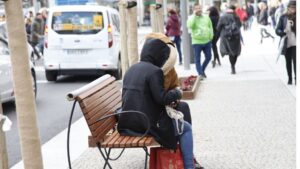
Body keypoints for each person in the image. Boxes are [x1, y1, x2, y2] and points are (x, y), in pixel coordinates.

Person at [117, 34, 203, 169]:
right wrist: (177, 93)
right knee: (185, 128)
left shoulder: (131, 69)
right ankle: (189, 165)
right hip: (145, 125)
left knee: (181, 114)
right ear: (158, 55)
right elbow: (162, 99)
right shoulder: (154, 71)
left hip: (127, 123)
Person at [187, 4, 213, 79]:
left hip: (207, 41)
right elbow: (190, 26)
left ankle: (201, 70)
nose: (199, 9)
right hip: (197, 42)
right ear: (193, 10)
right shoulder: (191, 18)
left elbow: (210, 27)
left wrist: (211, 36)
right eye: (197, 8)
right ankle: (200, 73)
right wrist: (195, 16)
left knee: (209, 57)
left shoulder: (206, 17)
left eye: (200, 8)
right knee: (197, 59)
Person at [275, 0, 296, 85]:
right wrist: (282, 32)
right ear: (288, 8)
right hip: (286, 43)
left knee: (296, 62)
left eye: (295, 8)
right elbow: (277, 30)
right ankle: (290, 78)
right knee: (288, 62)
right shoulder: (283, 17)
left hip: (296, 43)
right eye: (292, 8)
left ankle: (296, 78)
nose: (293, 10)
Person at [217, 5, 242, 74]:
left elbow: (218, 28)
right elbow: (240, 25)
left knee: (230, 51)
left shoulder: (223, 17)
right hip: (236, 37)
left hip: (226, 37)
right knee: (235, 52)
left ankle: (232, 66)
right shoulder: (236, 17)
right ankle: (233, 65)